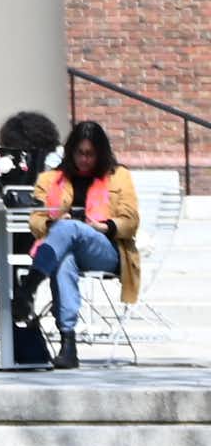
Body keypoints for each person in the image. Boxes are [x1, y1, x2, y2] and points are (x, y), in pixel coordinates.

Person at [25, 117, 142, 370]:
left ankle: (31, 284)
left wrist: (105, 226)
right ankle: (68, 345)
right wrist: (52, 225)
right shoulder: (50, 179)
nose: (85, 160)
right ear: (71, 151)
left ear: (101, 153)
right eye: (80, 153)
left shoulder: (118, 176)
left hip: (106, 250)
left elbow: (131, 221)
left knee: (70, 228)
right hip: (61, 250)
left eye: (91, 154)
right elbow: (35, 220)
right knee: (63, 259)